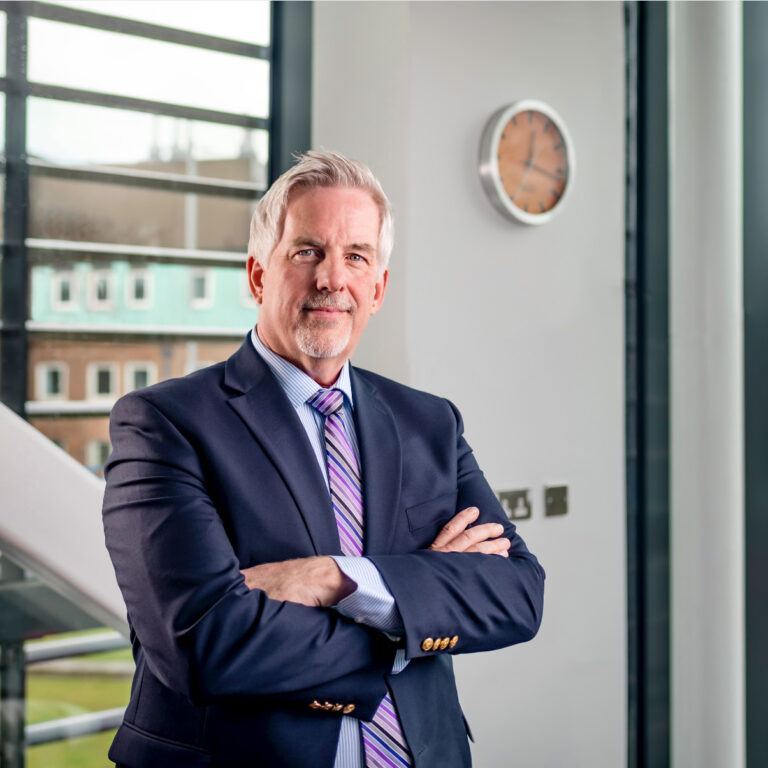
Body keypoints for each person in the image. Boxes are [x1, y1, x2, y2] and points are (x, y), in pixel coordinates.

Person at [103, 150, 545, 768]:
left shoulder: (428, 422)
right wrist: (412, 604)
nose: (332, 278)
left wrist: (334, 578)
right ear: (259, 274)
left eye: (356, 257)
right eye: (307, 250)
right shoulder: (164, 423)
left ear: (378, 288)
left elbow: (516, 595)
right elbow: (204, 644)